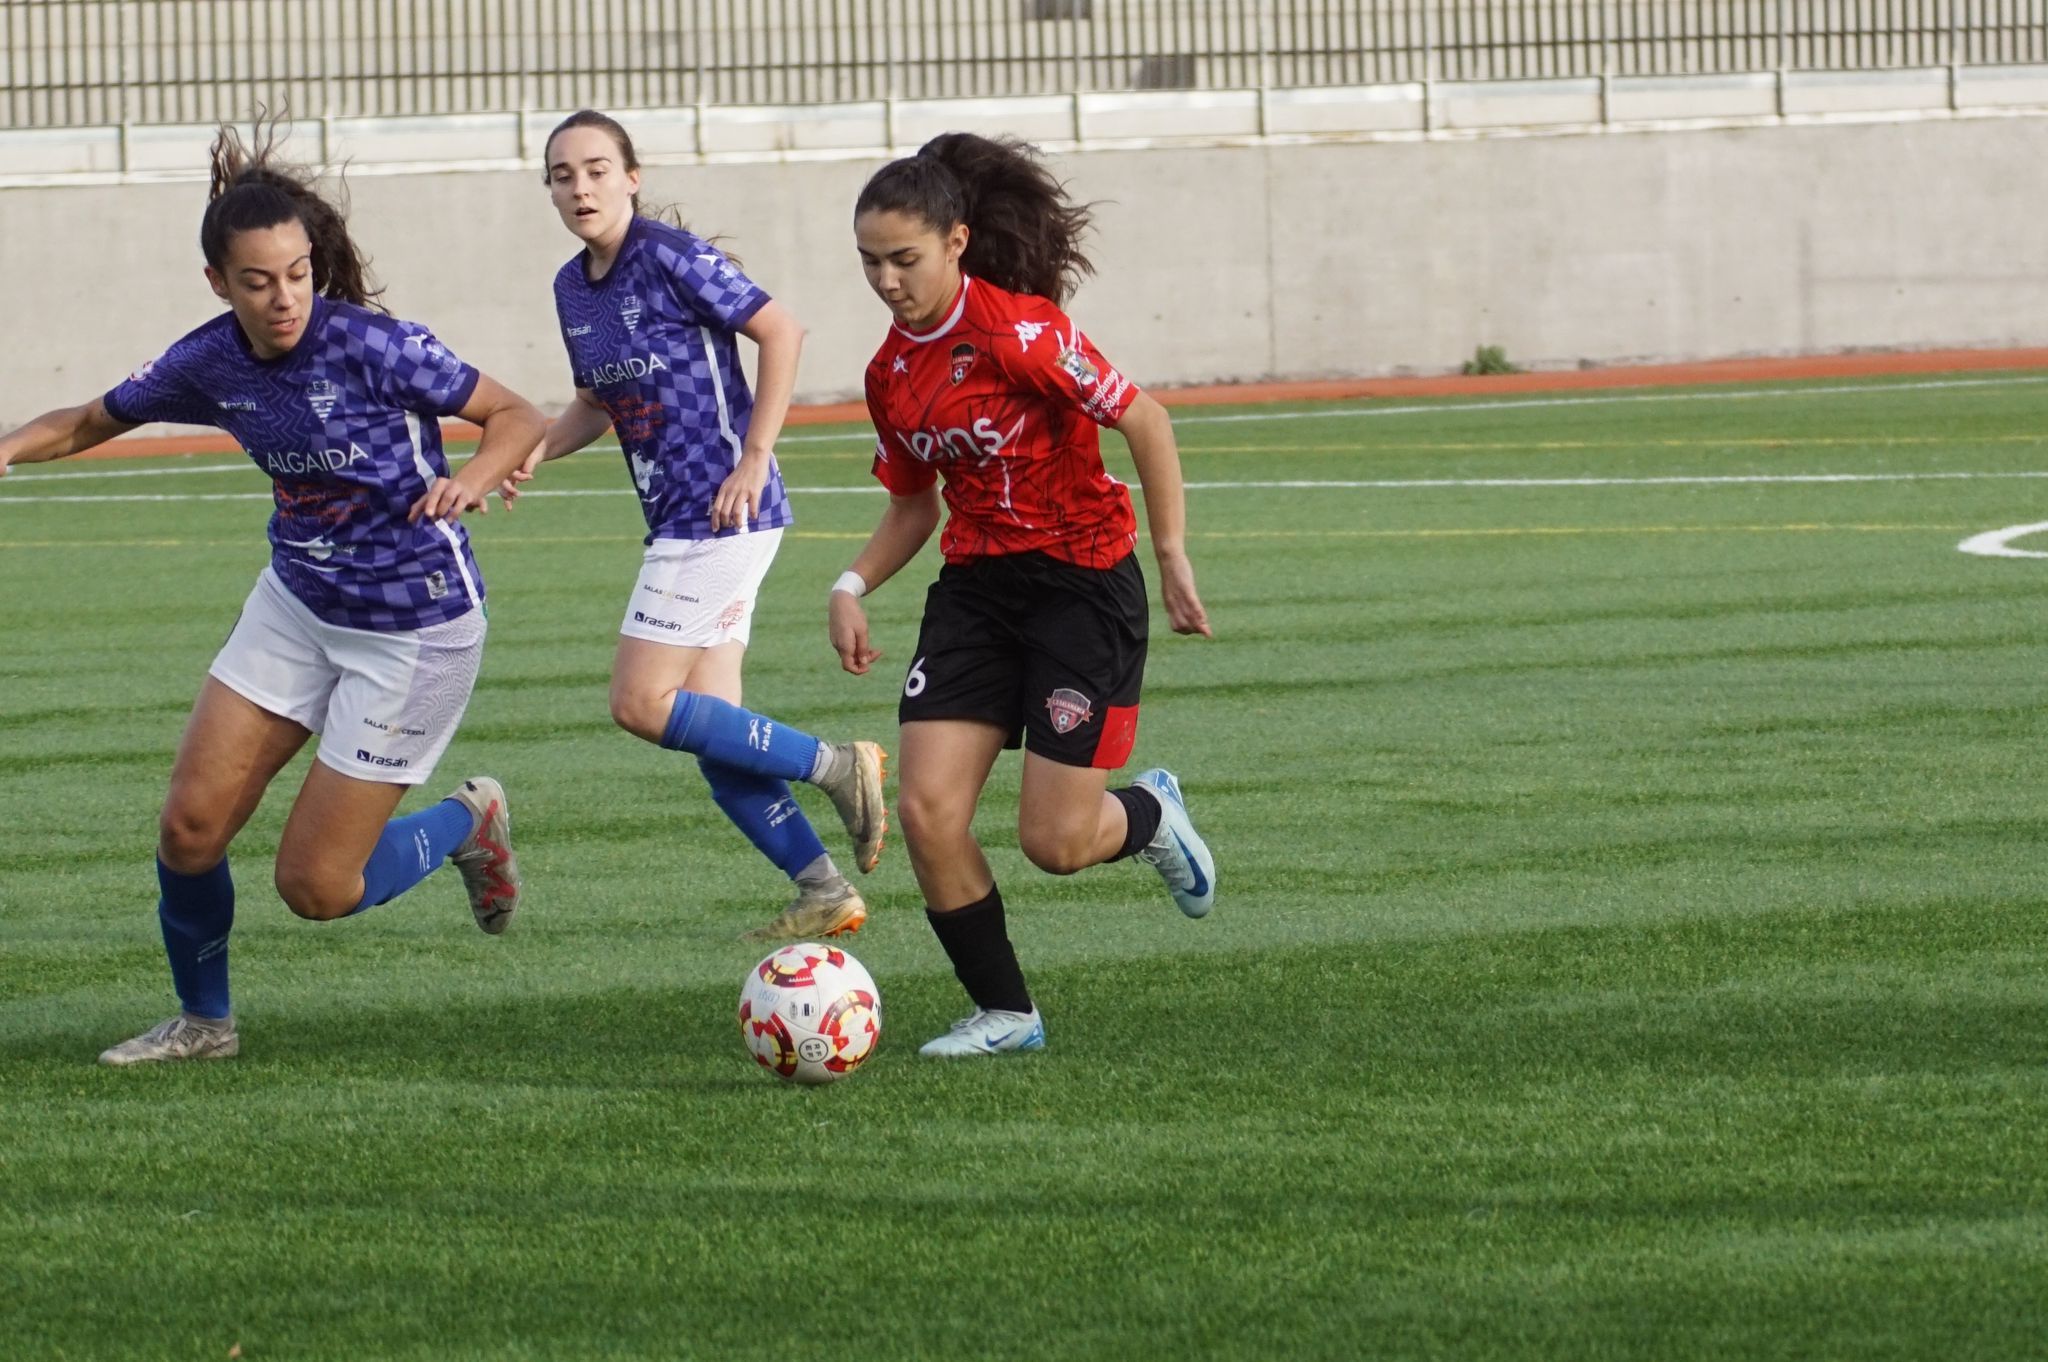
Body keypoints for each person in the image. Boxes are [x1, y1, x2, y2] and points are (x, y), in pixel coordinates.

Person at [0, 125, 546, 1065]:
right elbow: (87, 418)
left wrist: (479, 472)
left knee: (318, 888)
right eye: (259, 280)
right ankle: (205, 1024)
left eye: (296, 273)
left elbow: (515, 412)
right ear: (219, 282)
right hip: (296, 604)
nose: (284, 295)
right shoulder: (208, 362)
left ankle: (468, 820)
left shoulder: (373, 345)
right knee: (189, 827)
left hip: (415, 630)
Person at [833, 132, 1218, 1059]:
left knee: (1056, 841)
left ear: (957, 242)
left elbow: (1146, 419)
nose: (886, 281)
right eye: (869, 262)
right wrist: (852, 583)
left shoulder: (1023, 333)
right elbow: (912, 505)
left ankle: (1152, 816)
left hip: (1081, 587)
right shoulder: (891, 374)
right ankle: (1007, 1011)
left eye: (904, 259)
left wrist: (1169, 554)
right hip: (975, 588)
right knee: (926, 810)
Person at [503, 110, 886, 943]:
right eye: (563, 175)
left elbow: (781, 329)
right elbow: (596, 403)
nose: (581, 187)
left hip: (719, 513)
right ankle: (822, 887)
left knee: (641, 702)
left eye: (598, 168)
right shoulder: (573, 289)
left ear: (632, 177)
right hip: (681, 523)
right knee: (721, 738)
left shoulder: (670, 257)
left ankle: (838, 765)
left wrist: (756, 453)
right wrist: (533, 452)